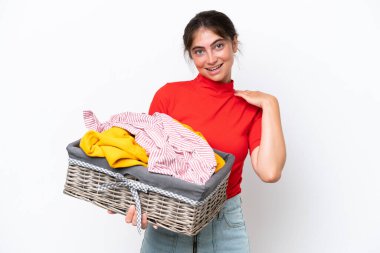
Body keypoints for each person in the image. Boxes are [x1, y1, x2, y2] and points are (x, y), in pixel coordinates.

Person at [109, 10, 286, 252]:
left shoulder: (251, 109)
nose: (211, 59)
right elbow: (146, 162)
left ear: (234, 43)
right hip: (168, 220)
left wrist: (271, 104)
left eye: (218, 45)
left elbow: (270, 171)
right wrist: (135, 201)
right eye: (199, 51)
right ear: (191, 55)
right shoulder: (169, 96)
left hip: (224, 227)